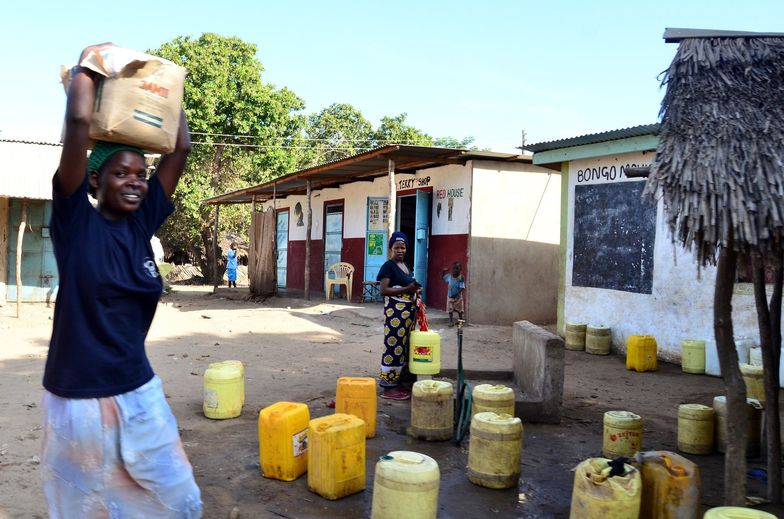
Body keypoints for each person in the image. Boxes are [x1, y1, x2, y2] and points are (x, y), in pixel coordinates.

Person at [41, 43, 202, 518]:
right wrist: (89, 67)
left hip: (138, 390)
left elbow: (181, 149)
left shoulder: (140, 225)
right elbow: (76, 126)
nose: (135, 181)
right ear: (95, 180)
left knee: (178, 501)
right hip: (77, 399)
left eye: (141, 173)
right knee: (83, 509)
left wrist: (170, 88)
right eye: (121, 173)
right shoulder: (75, 223)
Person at [376, 231, 421, 400]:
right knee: (393, 347)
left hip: (407, 315)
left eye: (403, 247)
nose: (400, 250)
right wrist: (406, 290)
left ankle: (399, 382)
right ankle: (388, 389)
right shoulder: (388, 266)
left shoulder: (406, 266)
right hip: (396, 314)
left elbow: (407, 284)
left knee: (403, 349)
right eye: (397, 247)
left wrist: (416, 288)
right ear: (391, 249)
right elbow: (384, 290)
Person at [441, 261, 466, 326]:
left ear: (460, 270)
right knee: (450, 309)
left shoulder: (461, 277)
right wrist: (443, 271)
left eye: (457, 268)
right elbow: (442, 278)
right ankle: (451, 321)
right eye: (454, 268)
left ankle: (461, 320)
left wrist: (457, 294)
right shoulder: (449, 276)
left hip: (458, 297)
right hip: (450, 296)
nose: (455, 270)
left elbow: (462, 287)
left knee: (459, 309)